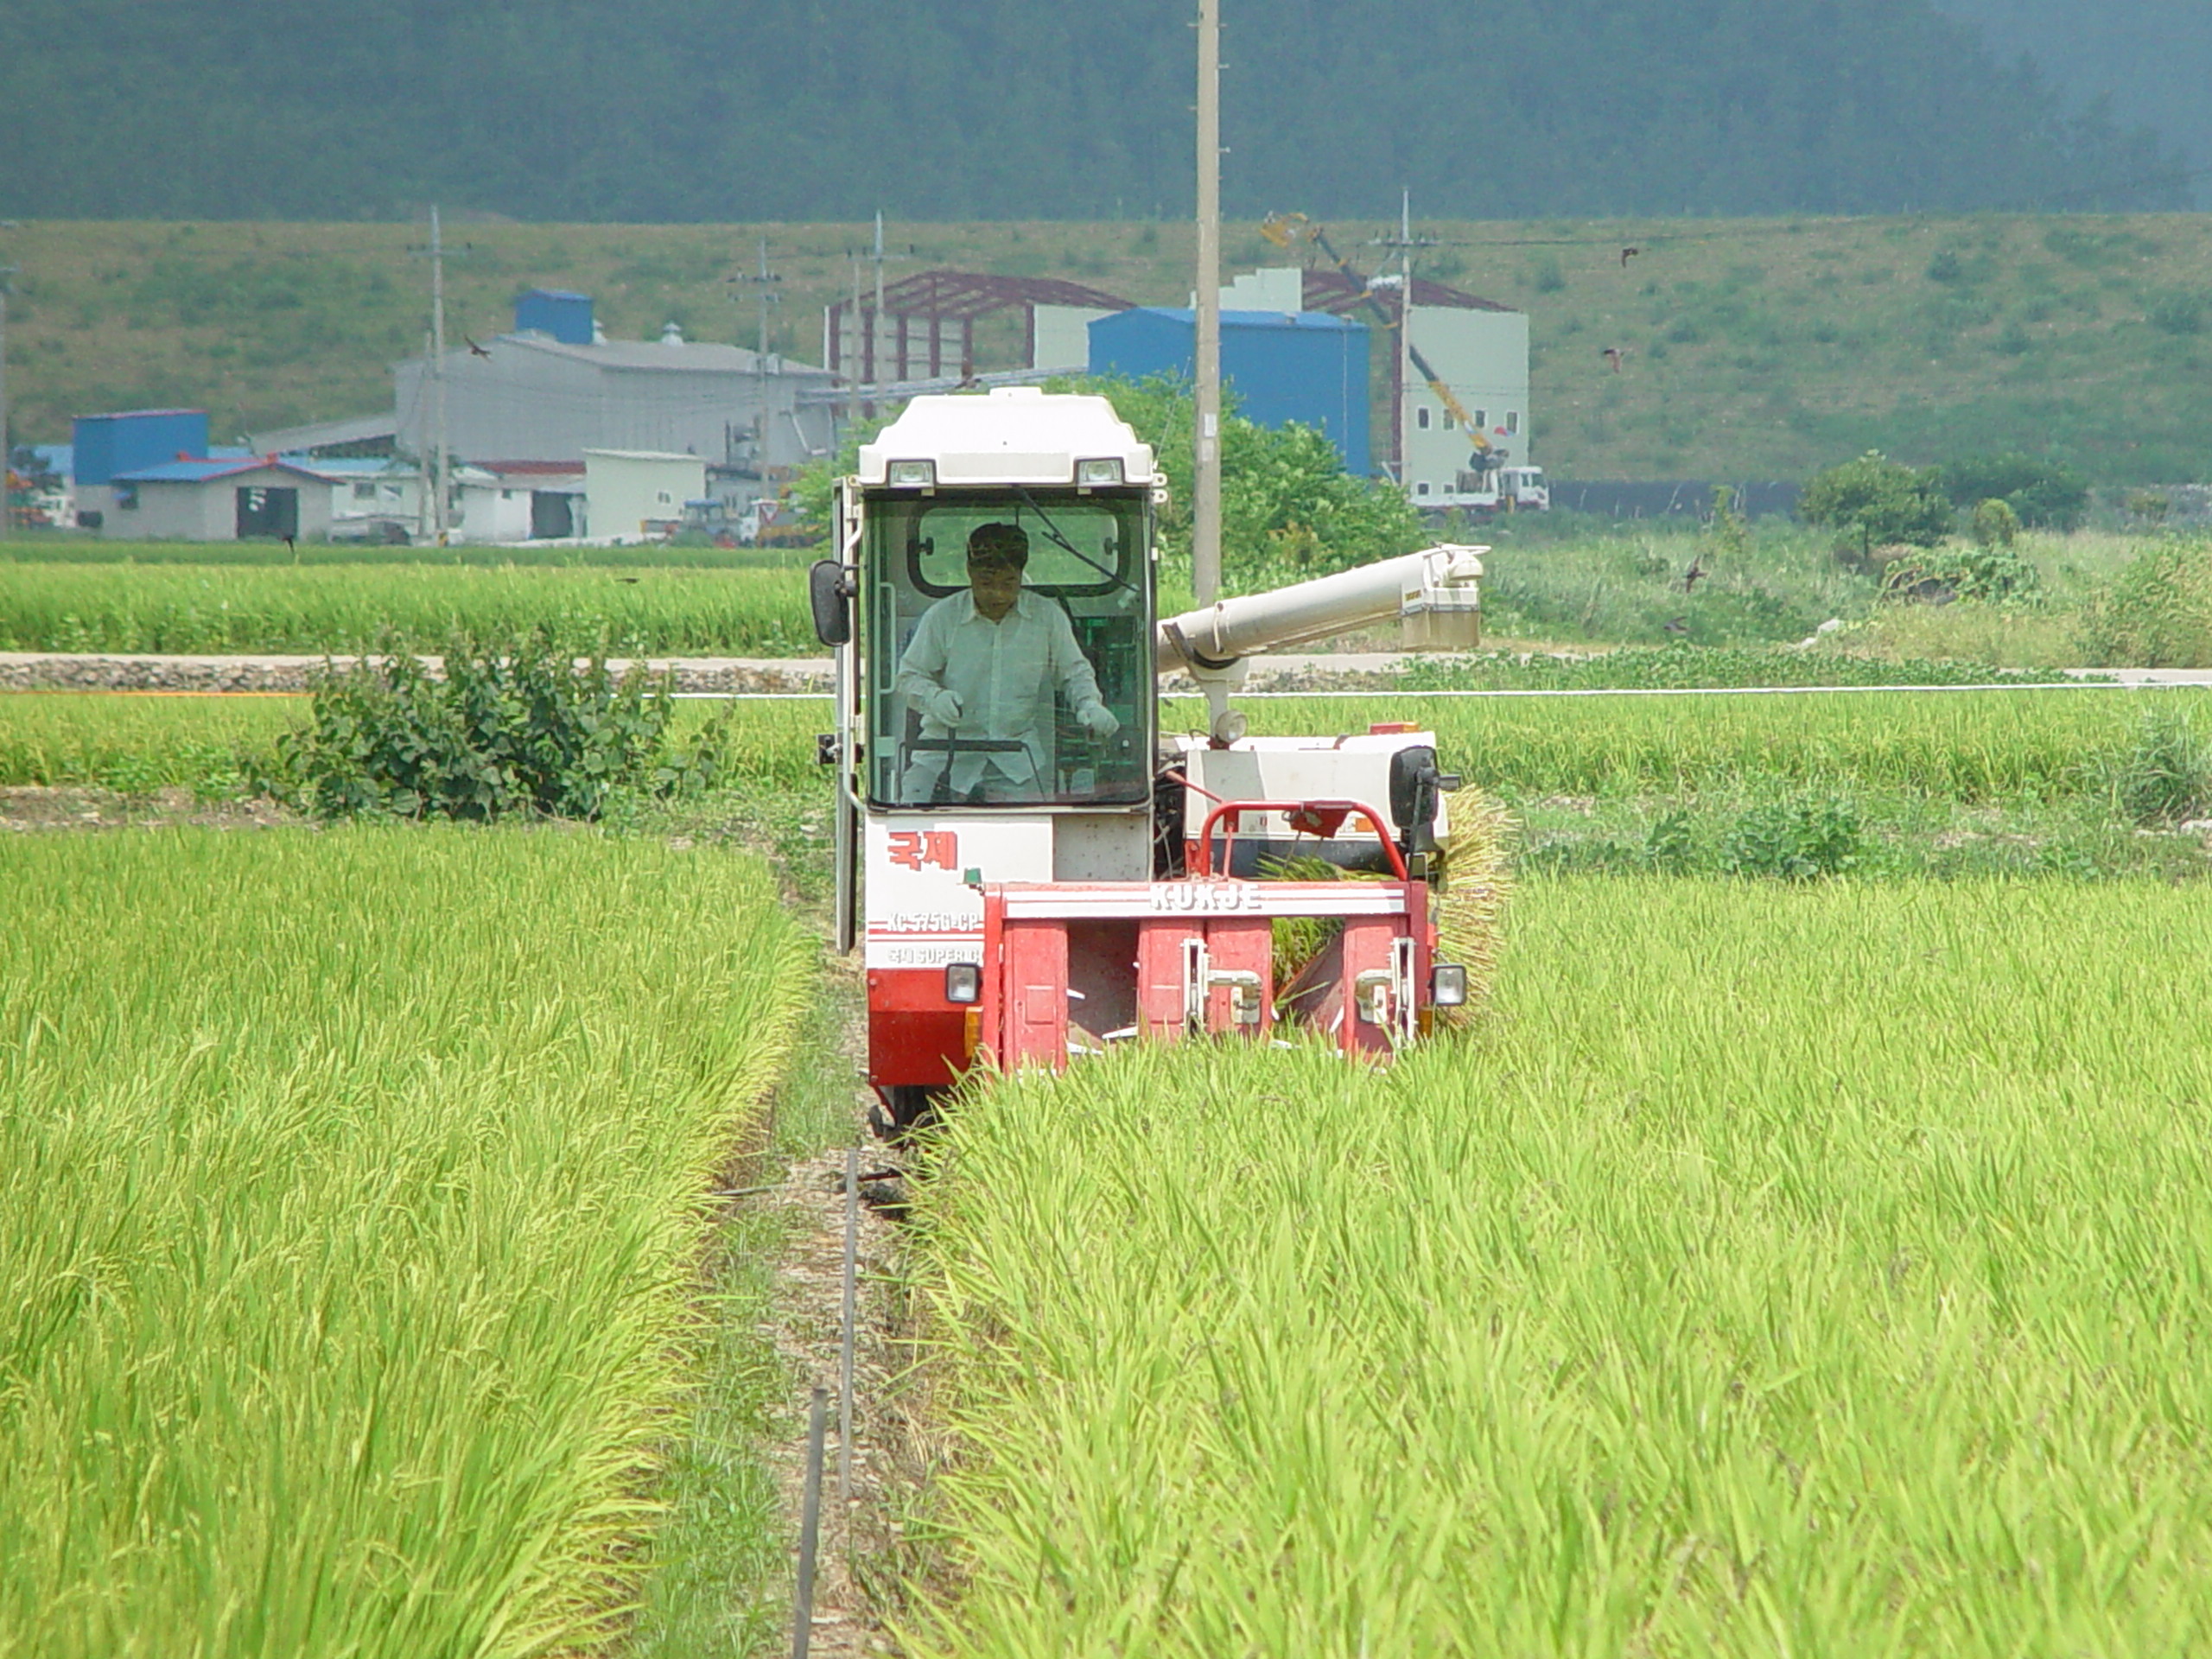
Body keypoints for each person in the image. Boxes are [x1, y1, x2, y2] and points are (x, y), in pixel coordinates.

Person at [893, 521, 1120, 802]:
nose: (997, 594)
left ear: (1021, 576)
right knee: (908, 819)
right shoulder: (943, 617)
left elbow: (1074, 673)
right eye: (987, 583)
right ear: (970, 573)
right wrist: (933, 697)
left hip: (1017, 759)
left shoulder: (1047, 618)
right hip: (944, 754)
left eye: (1008, 583)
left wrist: (1090, 705)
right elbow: (909, 676)